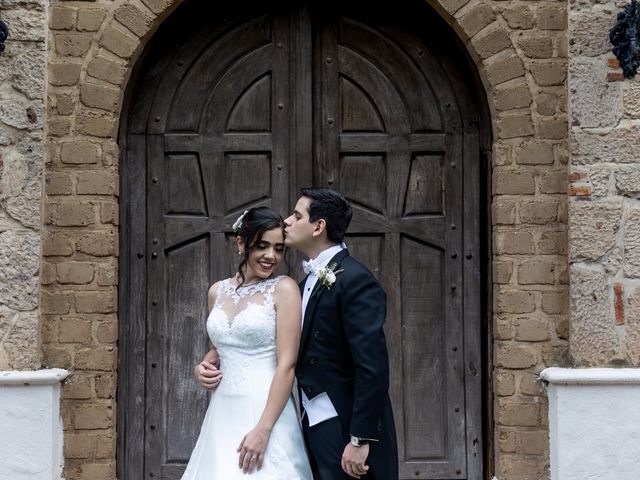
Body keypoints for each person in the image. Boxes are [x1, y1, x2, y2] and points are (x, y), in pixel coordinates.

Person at [184, 206, 312, 479]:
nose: (271, 256)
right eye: (262, 246)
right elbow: (221, 348)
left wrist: (263, 430)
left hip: (265, 409)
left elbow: (287, 365)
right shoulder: (217, 291)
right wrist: (203, 367)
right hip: (222, 411)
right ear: (241, 243)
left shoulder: (284, 289)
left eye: (279, 248)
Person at [283, 188, 398, 480]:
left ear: (318, 227)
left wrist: (360, 439)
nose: (287, 221)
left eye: (297, 216)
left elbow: (372, 365)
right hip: (313, 421)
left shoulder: (356, 280)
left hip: (346, 425)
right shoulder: (302, 284)